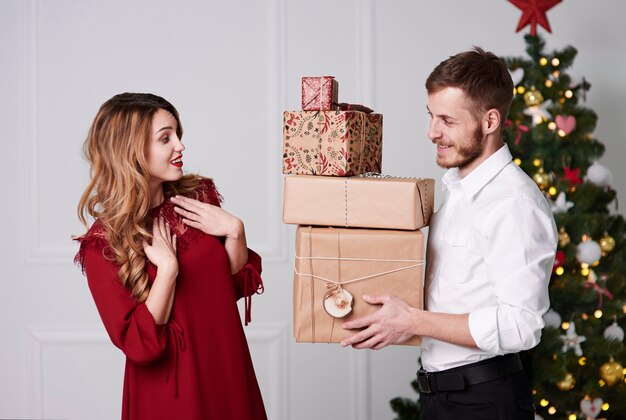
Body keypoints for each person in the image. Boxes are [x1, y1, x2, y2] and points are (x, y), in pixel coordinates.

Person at [340, 48, 557, 419]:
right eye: (431, 116)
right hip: (442, 396)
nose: (432, 133)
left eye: (447, 120)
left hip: (484, 401)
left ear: (489, 121)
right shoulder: (458, 191)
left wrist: (412, 321)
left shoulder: (514, 204)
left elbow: (522, 325)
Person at [74, 93, 267, 420]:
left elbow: (230, 288)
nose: (180, 146)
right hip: (171, 393)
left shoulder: (198, 197)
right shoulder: (103, 242)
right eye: (166, 138)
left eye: (178, 135)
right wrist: (167, 271)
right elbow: (138, 346)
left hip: (226, 367)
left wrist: (236, 232)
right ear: (130, 150)